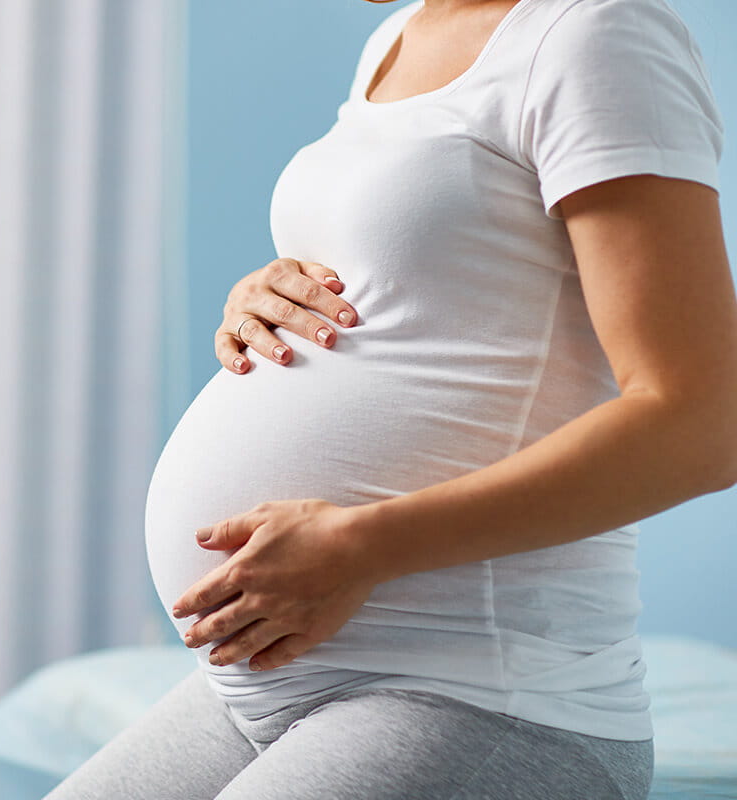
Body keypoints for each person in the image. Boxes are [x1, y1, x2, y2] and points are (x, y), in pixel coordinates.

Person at [45, 0, 736, 798]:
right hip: (257, 688)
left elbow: (695, 425)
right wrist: (265, 294)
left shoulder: (596, 35)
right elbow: (425, 290)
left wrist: (360, 547)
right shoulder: (394, 39)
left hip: (475, 694)